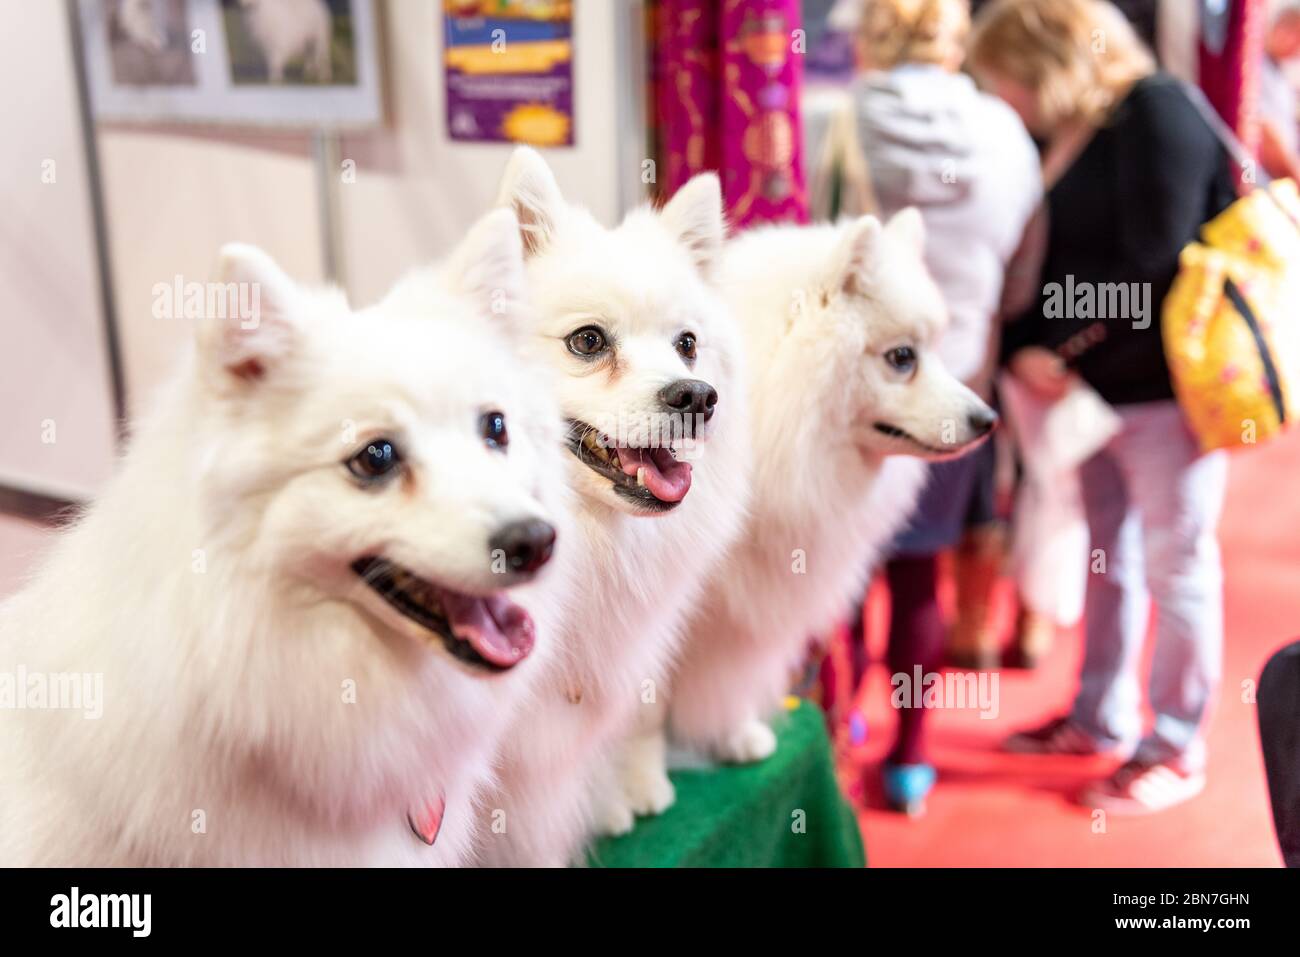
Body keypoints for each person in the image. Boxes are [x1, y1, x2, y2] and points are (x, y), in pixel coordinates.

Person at [969, 0, 1237, 814]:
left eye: (1009, 82)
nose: (1007, 102)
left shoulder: (1154, 110)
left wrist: (1063, 347)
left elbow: (1152, 259)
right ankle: (1101, 714)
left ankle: (1176, 744)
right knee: (1110, 560)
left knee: (1176, 565)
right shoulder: (1097, 122)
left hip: (1163, 393)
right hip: (1103, 395)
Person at [844, 0, 1042, 815]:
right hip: (956, 382)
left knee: (843, 580)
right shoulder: (1004, 130)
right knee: (922, 580)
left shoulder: (843, 116)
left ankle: (838, 722)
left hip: (856, 394)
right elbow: (1027, 263)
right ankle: (911, 757)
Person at [1259, 1, 1300, 181]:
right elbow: (1265, 131)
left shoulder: (1282, 77)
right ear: (1283, 29)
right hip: (1254, 180)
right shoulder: (1253, 67)